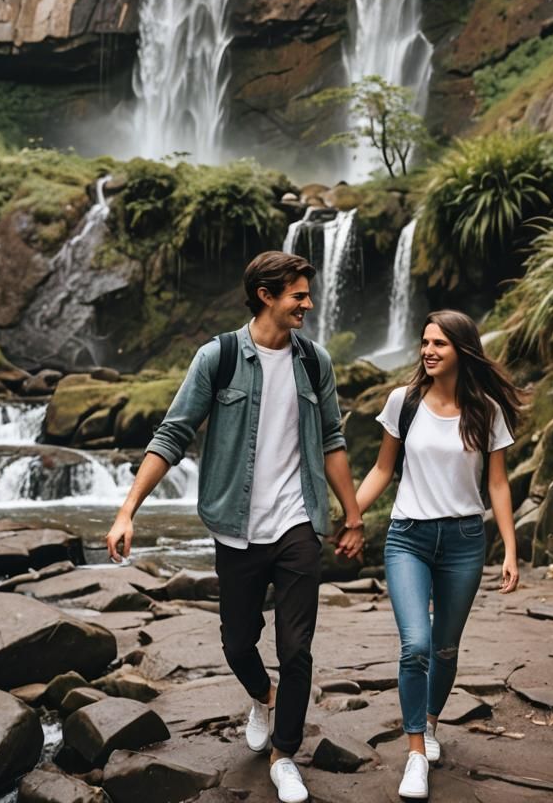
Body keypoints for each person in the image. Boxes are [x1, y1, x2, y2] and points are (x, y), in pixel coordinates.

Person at [106, 250, 364, 803]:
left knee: (297, 648)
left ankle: (284, 755)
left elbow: (333, 439)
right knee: (237, 640)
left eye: (308, 294)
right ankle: (261, 695)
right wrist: (128, 510)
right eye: (298, 295)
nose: (308, 304)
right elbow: (173, 434)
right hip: (236, 526)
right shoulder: (218, 357)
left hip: (298, 522)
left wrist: (353, 514)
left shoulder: (314, 362)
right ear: (267, 295)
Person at [354, 310, 523, 800]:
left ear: (462, 351)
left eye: (439, 344)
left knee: (446, 648)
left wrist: (510, 549)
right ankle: (413, 756)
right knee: (417, 646)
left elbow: (497, 483)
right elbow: (383, 469)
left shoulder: (487, 411)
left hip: (465, 543)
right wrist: (348, 516)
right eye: (424, 343)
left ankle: (428, 725)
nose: (428, 351)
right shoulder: (403, 402)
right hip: (408, 537)